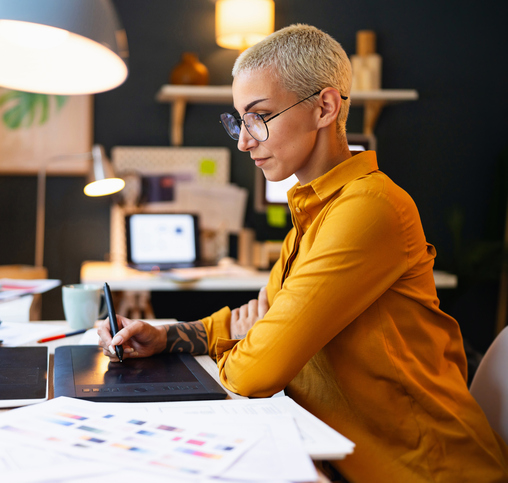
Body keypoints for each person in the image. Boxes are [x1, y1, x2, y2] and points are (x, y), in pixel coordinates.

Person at [96, 24, 508, 482]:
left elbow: (257, 370)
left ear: (325, 107)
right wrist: (166, 336)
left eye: (259, 116)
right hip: (337, 460)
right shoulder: (312, 214)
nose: (243, 141)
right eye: (238, 119)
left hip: (426, 472)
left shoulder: (370, 208)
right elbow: (250, 325)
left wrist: (256, 340)